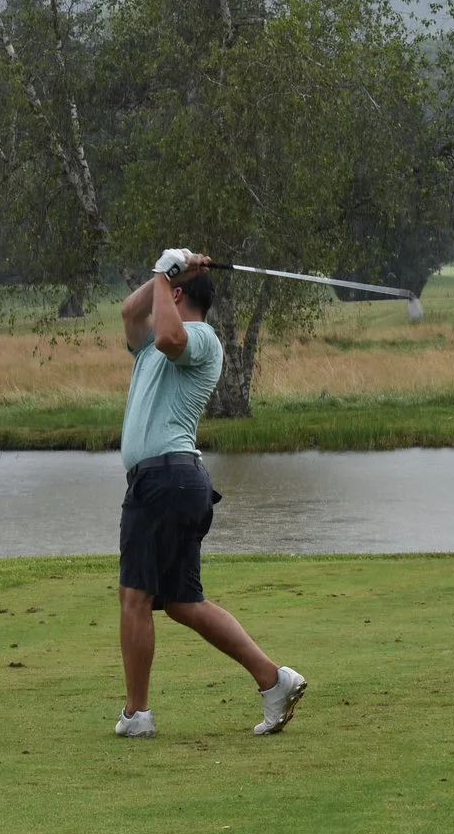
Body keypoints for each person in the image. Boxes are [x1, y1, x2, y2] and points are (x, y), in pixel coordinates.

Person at [111, 247, 307, 740]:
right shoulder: (148, 346)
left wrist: (165, 274)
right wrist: (162, 271)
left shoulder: (199, 337)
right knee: (182, 602)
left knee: (135, 597)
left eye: (167, 291)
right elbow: (130, 312)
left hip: (164, 480)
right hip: (173, 482)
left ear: (177, 296)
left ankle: (137, 714)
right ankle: (274, 679)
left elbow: (170, 335)